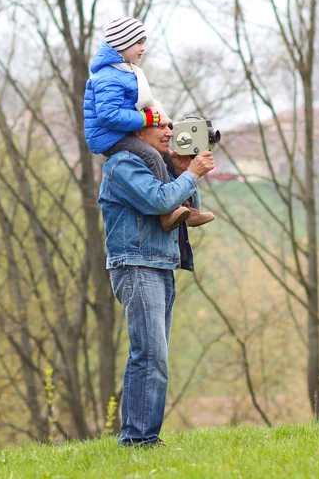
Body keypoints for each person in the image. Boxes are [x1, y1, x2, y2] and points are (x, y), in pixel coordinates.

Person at [99, 108, 215, 447]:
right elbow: (159, 200)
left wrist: (181, 171)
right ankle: (138, 440)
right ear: (137, 132)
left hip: (159, 265)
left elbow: (186, 209)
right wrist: (190, 174)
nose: (168, 130)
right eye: (160, 125)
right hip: (136, 265)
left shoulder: (155, 165)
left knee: (155, 356)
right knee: (149, 355)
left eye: (168, 124)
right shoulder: (123, 165)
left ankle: (144, 438)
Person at [84, 16, 214, 232]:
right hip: (108, 137)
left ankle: (187, 208)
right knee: (153, 155)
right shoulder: (109, 76)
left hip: (122, 131)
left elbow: (143, 102)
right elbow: (108, 116)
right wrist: (148, 119)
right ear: (122, 43)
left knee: (165, 156)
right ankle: (167, 213)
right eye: (139, 43)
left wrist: (161, 117)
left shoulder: (126, 71)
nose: (143, 48)